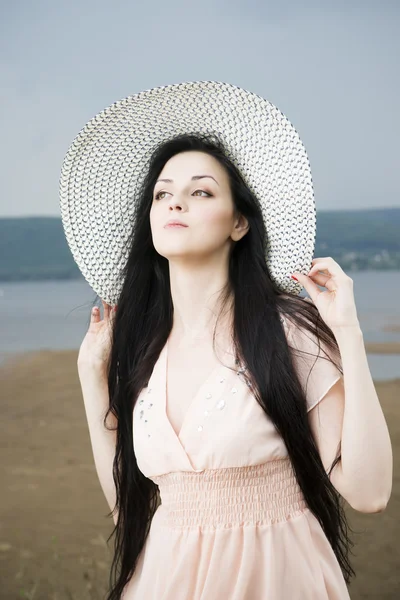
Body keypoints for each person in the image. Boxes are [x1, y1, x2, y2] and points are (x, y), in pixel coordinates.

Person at [60, 82, 392, 600]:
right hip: (164, 580)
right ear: (149, 221)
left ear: (239, 222)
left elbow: (369, 492)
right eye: (163, 193)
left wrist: (347, 333)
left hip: (275, 577)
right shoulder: (143, 348)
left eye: (201, 192)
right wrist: (91, 379)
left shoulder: (288, 333)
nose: (176, 203)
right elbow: (130, 507)